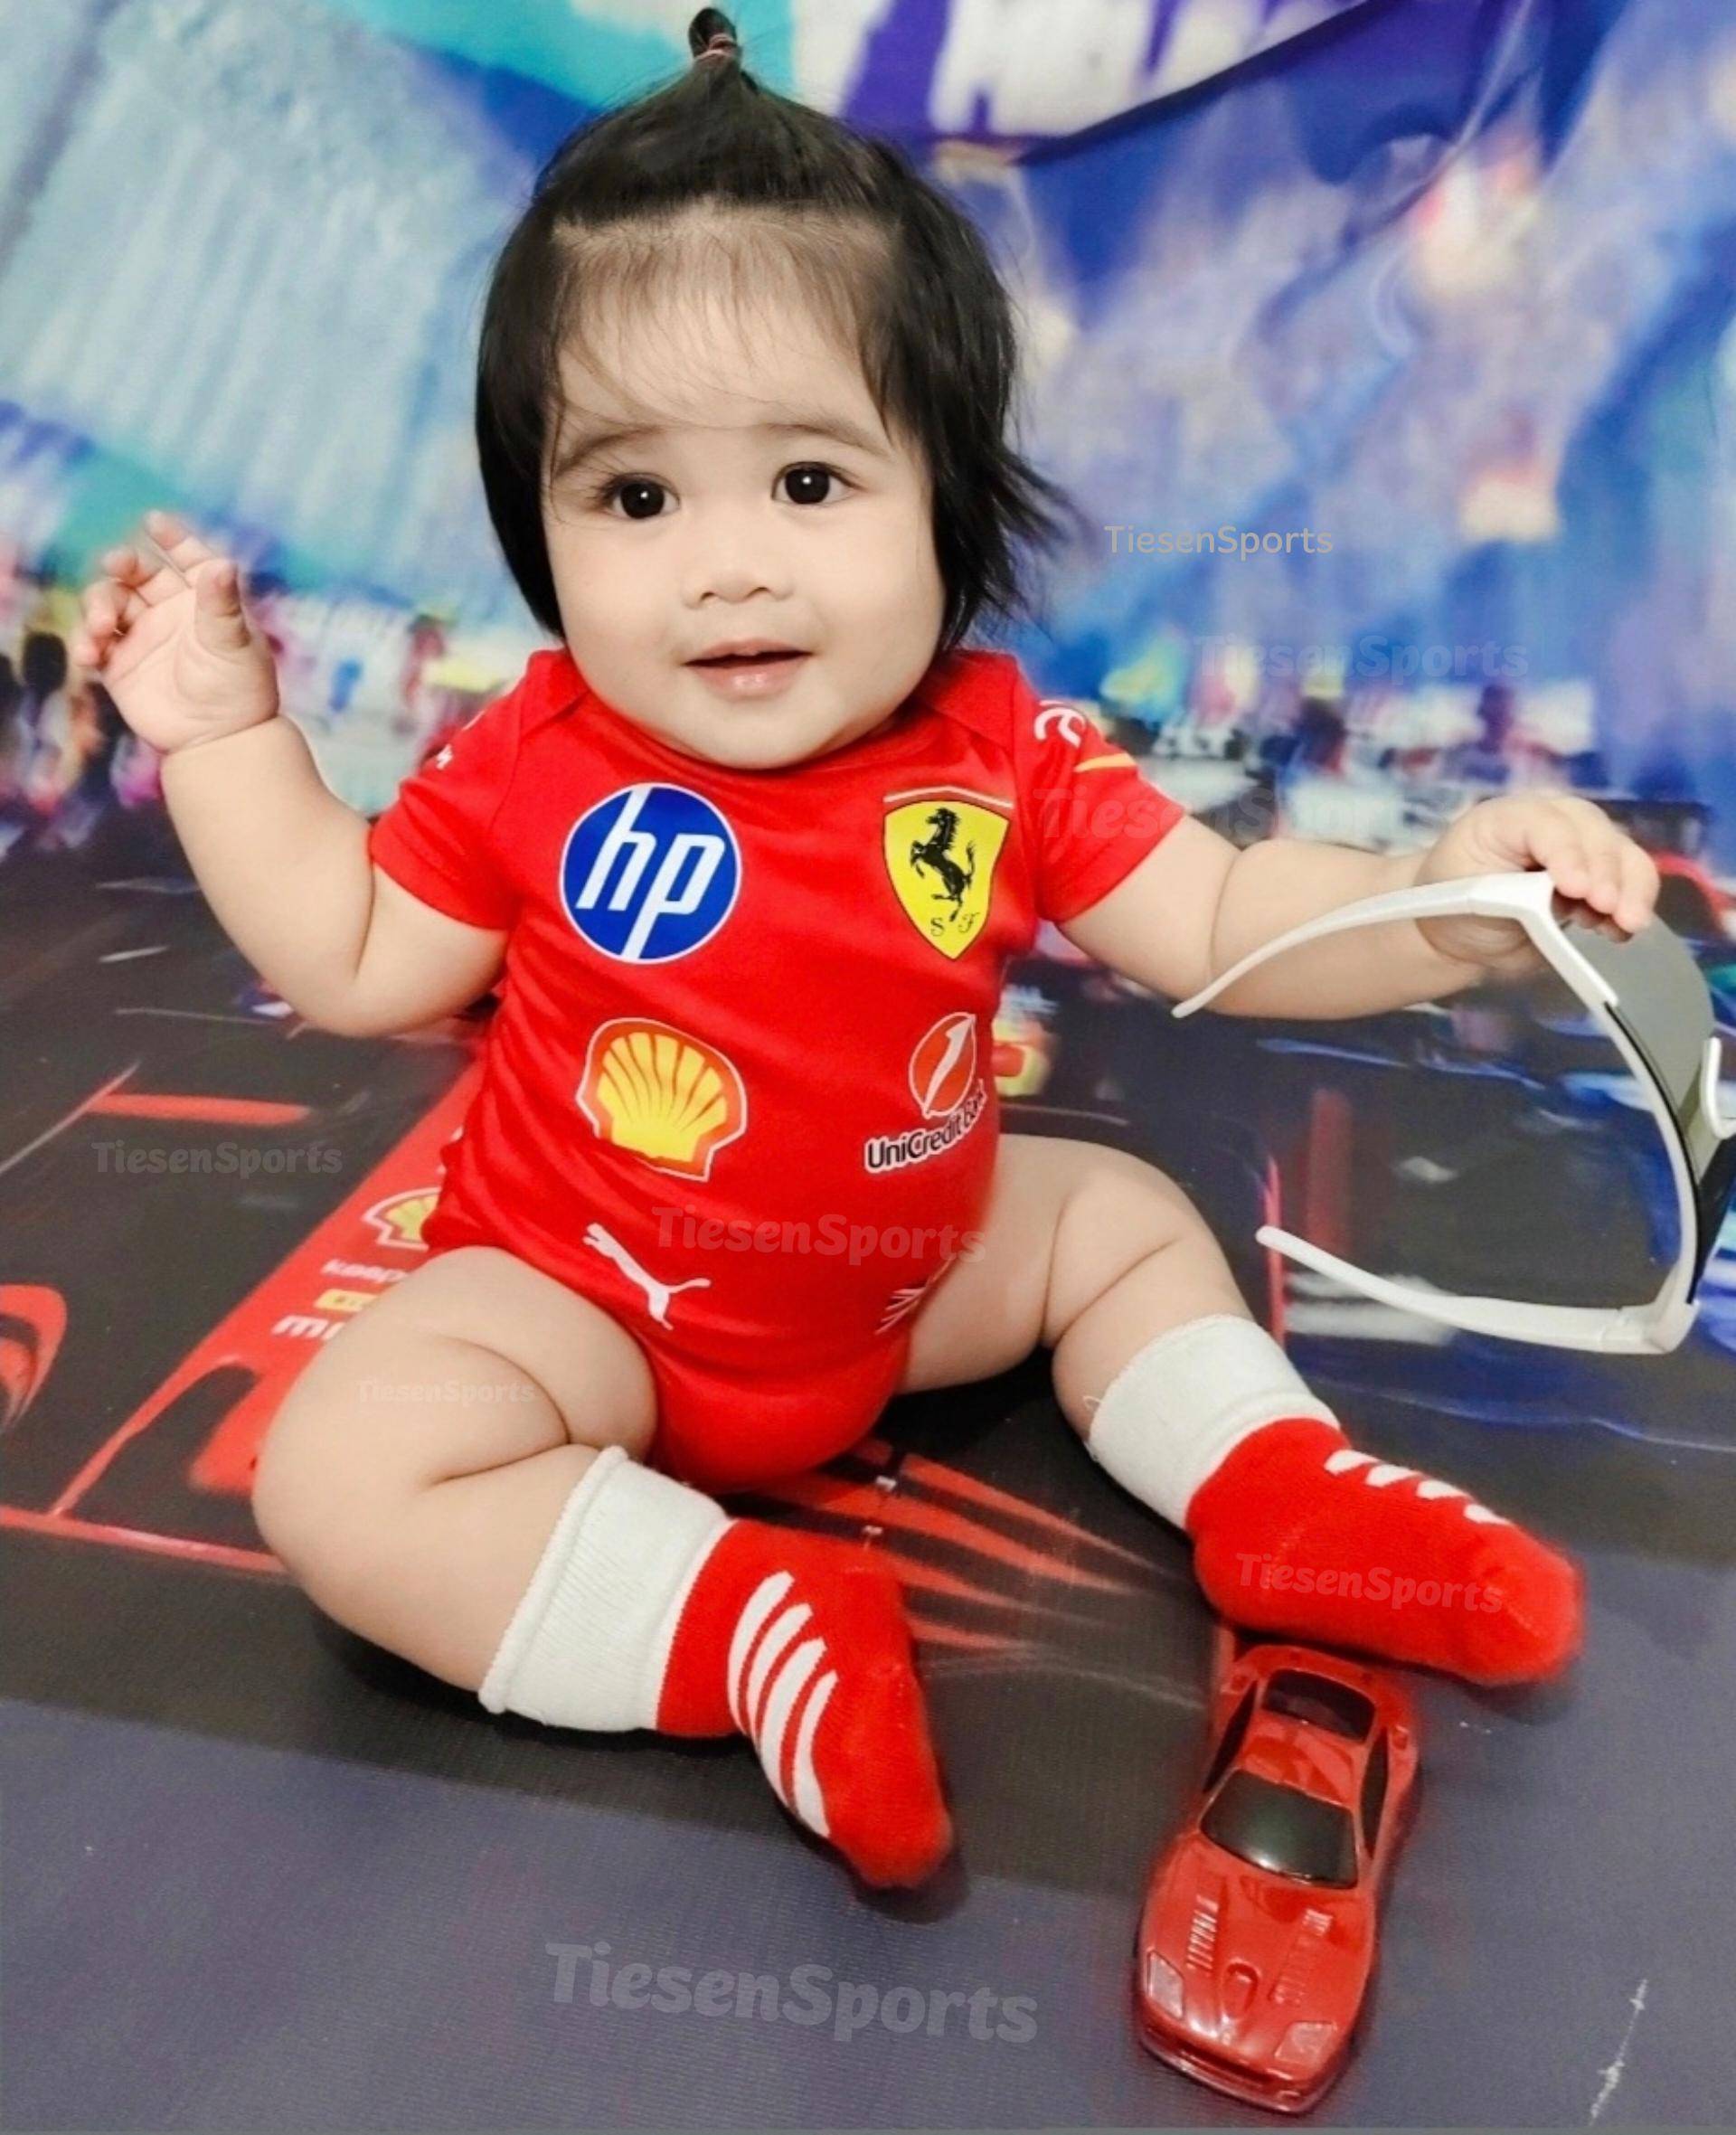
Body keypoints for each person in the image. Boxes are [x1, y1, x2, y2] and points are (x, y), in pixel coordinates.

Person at [73, 10, 1660, 1892]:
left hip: (909, 1284)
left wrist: (1441, 902)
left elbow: (1226, 921)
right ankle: (746, 1624)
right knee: (342, 1469)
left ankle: (1271, 1485)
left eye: (811, 484)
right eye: (636, 497)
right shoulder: (532, 753)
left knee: (1120, 1219)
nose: (727, 563)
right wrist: (221, 738)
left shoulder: (1001, 748)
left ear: (946, 499)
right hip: (591, 1307)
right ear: (539, 532)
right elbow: (347, 951)